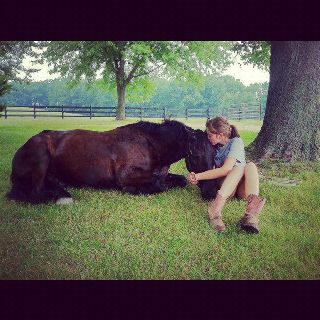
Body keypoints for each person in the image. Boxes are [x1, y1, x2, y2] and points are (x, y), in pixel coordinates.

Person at [187, 117, 266, 234]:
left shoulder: (236, 142)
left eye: (209, 135)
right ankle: (215, 212)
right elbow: (211, 169)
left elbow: (225, 169)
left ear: (220, 135)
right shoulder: (213, 148)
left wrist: (198, 176)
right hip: (227, 187)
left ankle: (250, 216)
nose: (208, 138)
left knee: (250, 166)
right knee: (238, 168)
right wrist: (196, 178)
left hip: (243, 190)